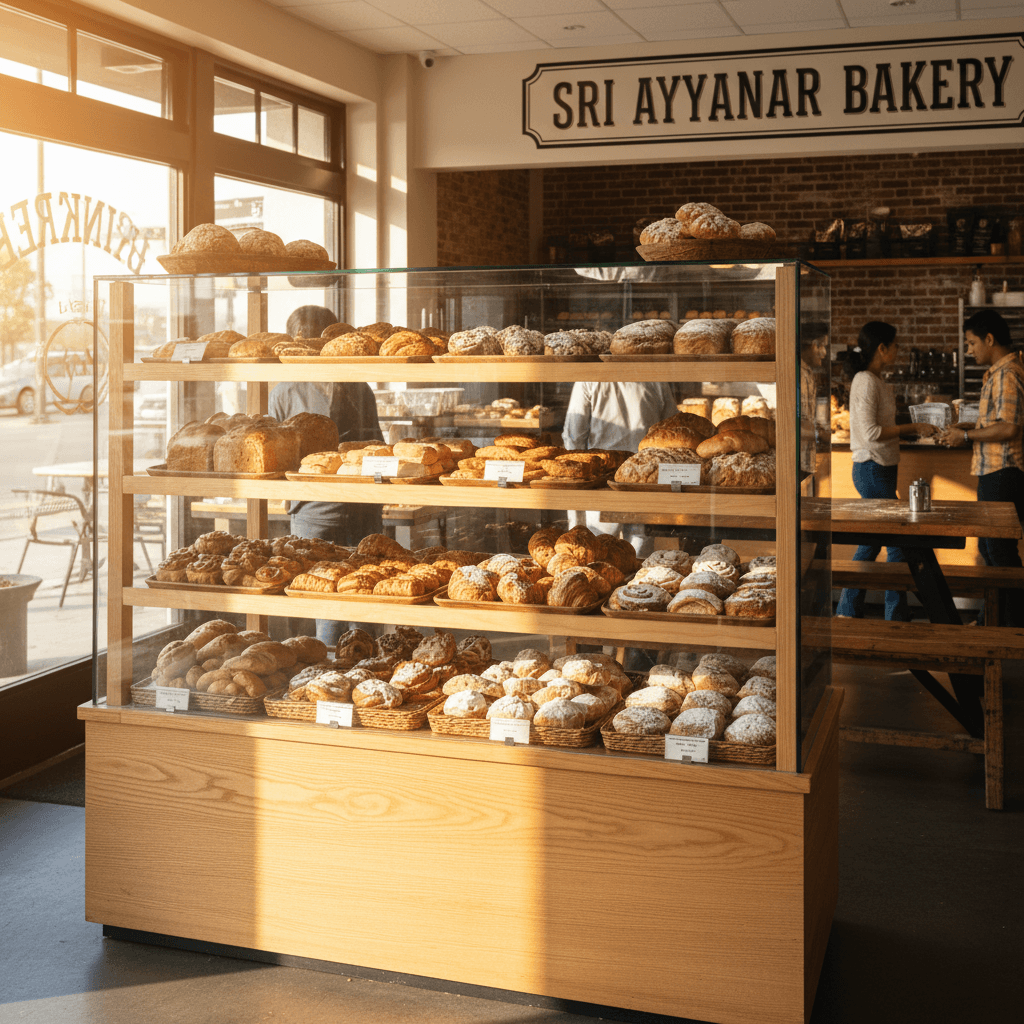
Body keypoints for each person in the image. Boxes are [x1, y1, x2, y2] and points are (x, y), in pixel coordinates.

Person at [269, 305, 384, 645]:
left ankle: (351, 672)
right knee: (347, 596)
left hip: (342, 508)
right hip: (331, 508)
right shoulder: (291, 390)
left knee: (350, 595)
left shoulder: (352, 386)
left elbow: (377, 443)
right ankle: (347, 674)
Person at [835, 321, 936, 620]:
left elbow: (881, 429)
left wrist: (910, 431)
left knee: (873, 543)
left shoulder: (874, 380)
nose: (899, 350)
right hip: (871, 468)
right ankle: (893, 616)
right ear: (882, 348)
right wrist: (913, 427)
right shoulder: (865, 380)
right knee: (893, 545)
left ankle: (849, 611)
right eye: (895, 345)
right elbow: (870, 433)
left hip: (880, 468)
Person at [936, 309, 1024, 626]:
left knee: (998, 552)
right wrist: (971, 425)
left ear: (989, 339)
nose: (969, 350)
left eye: (972, 343)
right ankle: (996, 621)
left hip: (1003, 473)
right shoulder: (1000, 373)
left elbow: (1010, 427)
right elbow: (999, 422)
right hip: (995, 472)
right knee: (991, 549)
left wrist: (967, 435)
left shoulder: (1007, 375)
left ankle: (1007, 626)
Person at [562, 381, 678, 554]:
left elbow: (574, 436)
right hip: (644, 476)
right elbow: (672, 431)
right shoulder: (656, 378)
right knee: (639, 554)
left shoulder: (588, 380)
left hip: (602, 479)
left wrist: (575, 492)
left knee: (597, 551)